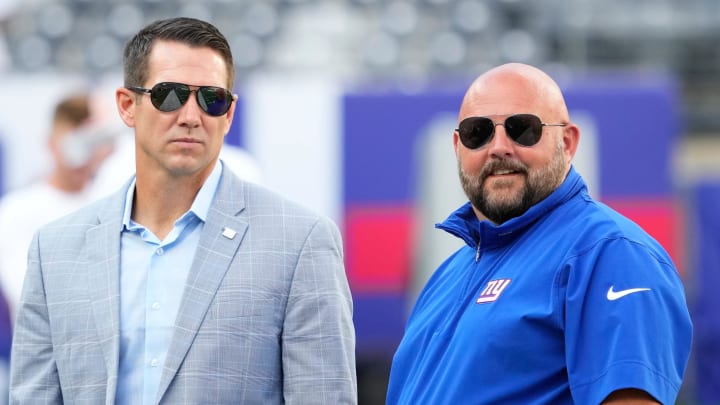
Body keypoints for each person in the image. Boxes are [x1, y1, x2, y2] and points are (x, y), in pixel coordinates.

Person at [10, 17, 356, 404]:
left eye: (212, 99)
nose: (191, 116)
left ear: (228, 113)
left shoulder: (300, 242)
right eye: (170, 95)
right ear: (127, 105)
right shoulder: (54, 249)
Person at [386, 63, 692, 404]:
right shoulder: (448, 275)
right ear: (458, 147)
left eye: (522, 129)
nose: (498, 147)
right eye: (478, 132)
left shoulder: (611, 253)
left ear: (568, 141)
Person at [0, 93, 115, 316]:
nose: (81, 155)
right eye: (74, 143)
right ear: (51, 144)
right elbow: (27, 292)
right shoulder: (15, 211)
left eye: (90, 141)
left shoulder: (112, 206)